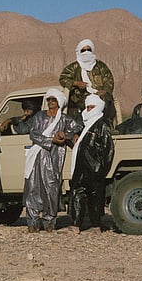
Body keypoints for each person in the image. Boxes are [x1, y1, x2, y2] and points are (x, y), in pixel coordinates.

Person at [23, 88, 82, 233]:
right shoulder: (39, 116)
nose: (50, 102)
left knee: (51, 188)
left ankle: (49, 222)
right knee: (33, 187)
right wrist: (51, 140)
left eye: (53, 100)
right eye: (49, 99)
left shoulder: (64, 119)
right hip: (37, 156)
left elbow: (77, 128)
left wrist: (65, 135)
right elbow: (33, 134)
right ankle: (33, 222)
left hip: (54, 157)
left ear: (59, 102)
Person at [69, 94, 115, 232]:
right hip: (81, 167)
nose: (89, 110)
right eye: (87, 107)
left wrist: (100, 169)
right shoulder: (86, 125)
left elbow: (108, 149)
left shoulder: (102, 124)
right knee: (77, 192)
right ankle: (76, 225)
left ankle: (96, 225)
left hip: (95, 168)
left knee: (95, 196)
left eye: (92, 107)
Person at [59, 39, 116, 125]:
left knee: (106, 100)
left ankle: (107, 125)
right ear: (79, 52)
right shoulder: (74, 67)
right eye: (83, 50)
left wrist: (104, 91)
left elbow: (109, 81)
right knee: (90, 103)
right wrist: (77, 83)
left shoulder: (100, 66)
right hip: (81, 97)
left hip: (101, 95)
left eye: (88, 50)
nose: (86, 52)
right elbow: (63, 79)